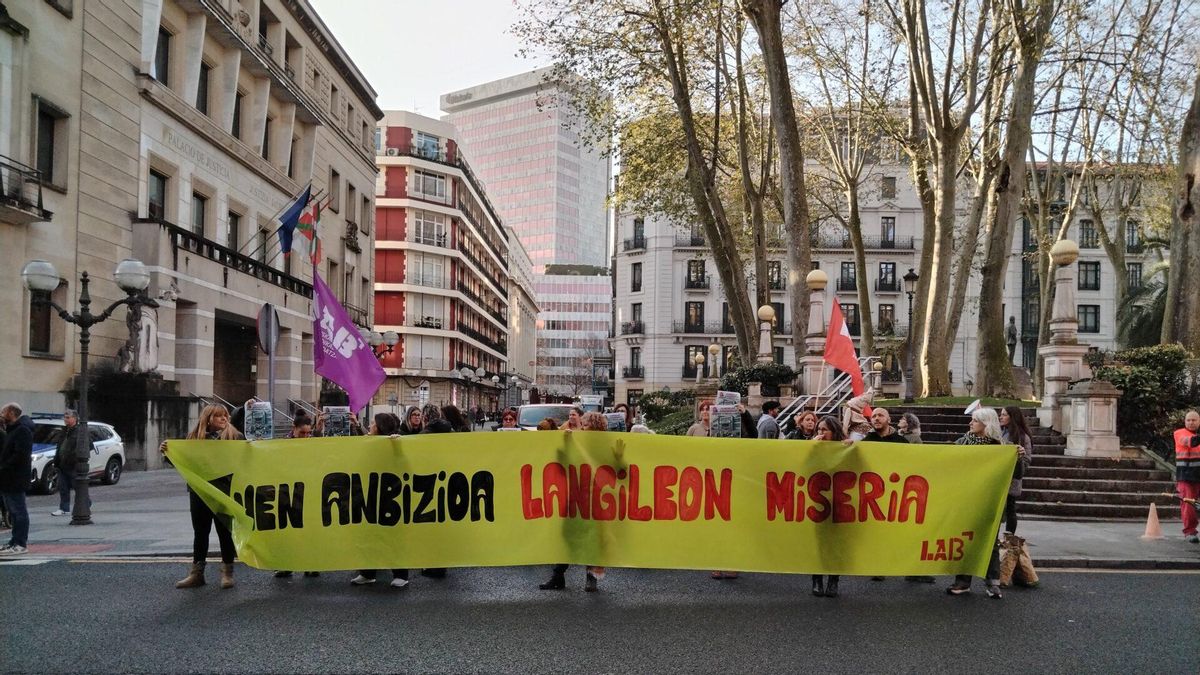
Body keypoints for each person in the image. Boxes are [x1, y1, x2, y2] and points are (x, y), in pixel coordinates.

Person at [162, 404, 241, 588]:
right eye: (219, 416)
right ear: (208, 419)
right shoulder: (193, 438)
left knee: (225, 532)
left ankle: (227, 573)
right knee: (201, 532)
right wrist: (168, 451)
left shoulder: (235, 437)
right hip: (199, 492)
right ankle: (197, 574)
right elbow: (182, 461)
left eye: (226, 416)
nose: (224, 419)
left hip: (224, 491)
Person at [540, 411, 610, 592]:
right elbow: (564, 463)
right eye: (583, 425)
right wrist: (566, 443)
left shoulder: (603, 448)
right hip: (575, 497)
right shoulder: (577, 442)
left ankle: (590, 578)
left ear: (595, 428)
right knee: (568, 536)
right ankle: (558, 576)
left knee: (591, 539)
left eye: (586, 425)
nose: (582, 428)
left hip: (594, 500)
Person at [946, 408, 1006, 599]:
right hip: (965, 500)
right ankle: (963, 582)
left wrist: (1019, 458)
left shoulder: (1000, 448)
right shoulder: (962, 443)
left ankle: (993, 583)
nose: (970, 424)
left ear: (986, 424)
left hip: (989, 501)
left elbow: (1017, 473)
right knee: (965, 539)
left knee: (990, 542)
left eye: (975, 421)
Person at [351, 412, 411, 589]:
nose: (370, 426)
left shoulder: (394, 443)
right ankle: (367, 573)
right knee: (369, 533)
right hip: (370, 494)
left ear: (380, 428)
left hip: (390, 496)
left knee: (393, 535)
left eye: (373, 424)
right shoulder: (368, 443)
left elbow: (404, 464)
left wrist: (397, 445)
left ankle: (401, 574)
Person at [274, 412, 321, 579]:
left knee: (310, 530)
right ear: (293, 429)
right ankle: (286, 565)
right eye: (303, 433)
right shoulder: (282, 444)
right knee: (288, 530)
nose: (306, 436)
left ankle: (310, 564)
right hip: (287, 493)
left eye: (309, 433)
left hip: (309, 492)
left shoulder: (313, 444)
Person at [810, 415, 846, 597]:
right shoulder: (813, 447)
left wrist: (850, 450)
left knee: (836, 544)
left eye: (825, 430)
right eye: (819, 430)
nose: (821, 433)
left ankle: (833, 580)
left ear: (834, 432)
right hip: (818, 502)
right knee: (819, 543)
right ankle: (817, 579)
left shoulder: (845, 448)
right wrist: (812, 447)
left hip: (840, 502)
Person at [0, 403, 34, 556]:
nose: (1, 414)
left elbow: (20, 455)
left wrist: (4, 466)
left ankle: (20, 543)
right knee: (13, 512)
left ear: (12, 413)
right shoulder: (12, 429)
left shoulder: (22, 431)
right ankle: (14, 541)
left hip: (16, 478)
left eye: (3, 411)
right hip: (8, 478)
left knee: (19, 511)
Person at [998, 407, 1034, 534]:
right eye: (1000, 415)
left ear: (1012, 417)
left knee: (1010, 508)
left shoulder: (1023, 437)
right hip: (998, 477)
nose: (1000, 417)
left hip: (1012, 479)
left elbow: (1026, 460)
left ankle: (1010, 537)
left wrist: (1020, 457)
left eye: (1004, 415)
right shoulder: (999, 432)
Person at [52, 409, 92, 517]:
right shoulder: (64, 430)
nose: (65, 419)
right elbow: (60, 446)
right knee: (63, 487)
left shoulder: (80, 431)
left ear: (75, 418)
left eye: (68, 417)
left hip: (73, 465)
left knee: (77, 486)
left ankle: (86, 503)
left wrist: (75, 457)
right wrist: (56, 460)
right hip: (62, 463)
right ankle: (64, 508)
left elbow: (89, 445)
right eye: (64, 417)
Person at [1173, 410, 1200, 543]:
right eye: (1188, 420)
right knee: (1188, 505)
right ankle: (1190, 532)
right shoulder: (1179, 433)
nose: (1191, 422)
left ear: (1199, 422)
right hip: (1186, 476)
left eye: (1194, 420)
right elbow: (1192, 442)